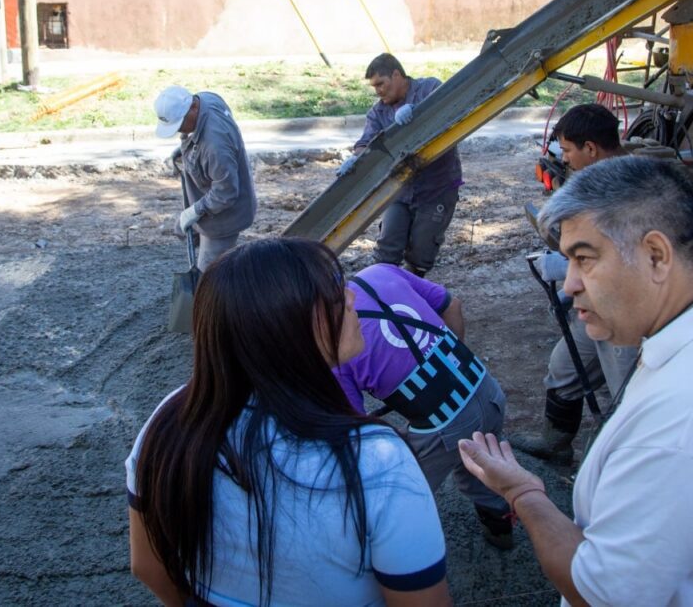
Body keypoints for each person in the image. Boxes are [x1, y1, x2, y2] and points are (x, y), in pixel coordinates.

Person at [459, 156, 693, 606]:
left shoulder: (684, 422)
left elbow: (599, 593)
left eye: (584, 259)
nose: (568, 285)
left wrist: (522, 492)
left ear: (656, 255)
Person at [126, 238, 451, 606]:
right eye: (333, 295)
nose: (351, 299)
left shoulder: (170, 418)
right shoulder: (375, 460)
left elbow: (147, 566)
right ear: (287, 331)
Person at [333, 263, 513, 550]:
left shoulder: (334, 348)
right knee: (479, 463)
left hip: (442, 425)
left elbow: (354, 425)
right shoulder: (379, 272)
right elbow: (451, 305)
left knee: (401, 494)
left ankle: (393, 555)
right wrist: (449, 369)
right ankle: (501, 530)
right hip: (484, 385)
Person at [512, 103, 635, 464]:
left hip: (623, 312)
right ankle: (556, 444)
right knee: (565, 368)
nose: (563, 159)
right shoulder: (597, 181)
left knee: (627, 394)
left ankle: (624, 469)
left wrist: (565, 267)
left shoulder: (627, 190)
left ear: (591, 149)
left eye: (567, 151)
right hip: (594, 304)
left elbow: (622, 259)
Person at [348, 53, 463, 277]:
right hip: (399, 191)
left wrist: (418, 114)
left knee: (421, 254)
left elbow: (448, 113)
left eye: (381, 83)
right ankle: (386, 294)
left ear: (397, 74)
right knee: (387, 251)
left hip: (436, 189)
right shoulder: (379, 112)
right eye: (374, 87)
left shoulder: (428, 89)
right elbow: (364, 144)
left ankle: (412, 294)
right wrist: (357, 159)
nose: (378, 91)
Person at [154, 85, 257, 272]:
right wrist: (189, 151)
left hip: (224, 218)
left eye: (180, 124)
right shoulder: (207, 99)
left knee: (208, 275)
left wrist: (196, 210)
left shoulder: (215, 145)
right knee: (182, 230)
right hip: (210, 200)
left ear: (193, 107)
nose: (179, 131)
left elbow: (226, 192)